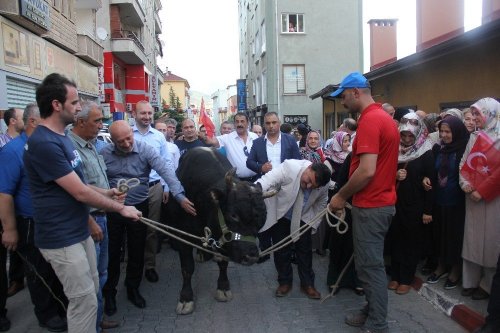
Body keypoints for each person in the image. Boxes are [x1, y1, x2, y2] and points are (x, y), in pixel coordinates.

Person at [23, 73, 142, 333]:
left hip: (78, 231)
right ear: (57, 105)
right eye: (75, 102)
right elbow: (79, 193)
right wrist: (122, 207)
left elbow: (80, 184)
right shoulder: (43, 142)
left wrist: (107, 193)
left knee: (91, 292)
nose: (79, 108)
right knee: (84, 300)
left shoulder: (61, 138)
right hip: (61, 237)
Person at [101, 121, 196, 315]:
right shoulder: (103, 153)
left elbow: (166, 171)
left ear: (132, 134)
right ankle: (109, 293)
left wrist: (180, 196)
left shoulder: (146, 149)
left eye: (129, 139)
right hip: (113, 209)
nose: (127, 144)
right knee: (112, 252)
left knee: (137, 249)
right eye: (121, 142)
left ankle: (132, 288)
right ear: (112, 140)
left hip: (139, 206)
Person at [329, 72, 399, 333]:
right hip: (380, 204)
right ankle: (371, 311)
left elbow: (367, 170)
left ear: (356, 92)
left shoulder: (370, 121)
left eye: (344, 96)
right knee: (370, 265)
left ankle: (378, 325)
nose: (342, 101)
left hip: (371, 207)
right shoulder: (383, 117)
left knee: (370, 269)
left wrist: (340, 196)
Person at [0, 103, 68, 332]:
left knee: (54, 268)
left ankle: (60, 308)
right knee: (38, 271)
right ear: (33, 122)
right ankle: (47, 315)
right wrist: (9, 229)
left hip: (52, 221)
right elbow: (5, 194)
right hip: (29, 222)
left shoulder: (44, 147)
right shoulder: (13, 151)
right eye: (47, 121)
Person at [68, 101, 119, 332]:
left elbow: (95, 184)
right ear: (80, 122)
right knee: (91, 279)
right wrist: (89, 221)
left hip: (102, 217)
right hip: (89, 221)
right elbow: (75, 190)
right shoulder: (70, 148)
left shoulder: (91, 145)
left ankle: (98, 320)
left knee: (102, 273)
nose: (102, 125)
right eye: (97, 121)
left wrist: (111, 196)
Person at [256, 160, 331, 299]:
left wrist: (313, 223)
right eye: (308, 180)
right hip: (282, 214)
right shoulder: (290, 167)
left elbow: (322, 203)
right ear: (309, 167)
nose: (308, 186)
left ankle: (307, 284)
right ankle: (284, 282)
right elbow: (269, 179)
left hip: (304, 217)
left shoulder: (323, 185)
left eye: (312, 186)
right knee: (281, 250)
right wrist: (256, 189)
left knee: (305, 251)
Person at [387, 113, 434, 295]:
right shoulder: (394, 150)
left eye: (410, 136)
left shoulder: (426, 152)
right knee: (396, 238)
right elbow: (384, 173)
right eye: (404, 135)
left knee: (411, 242)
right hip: (396, 202)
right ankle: (395, 276)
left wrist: (427, 210)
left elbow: (431, 183)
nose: (406, 139)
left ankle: (406, 278)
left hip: (416, 205)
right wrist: (395, 175)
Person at [246, 112, 301, 263]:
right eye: (268, 123)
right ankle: (265, 249)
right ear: (264, 125)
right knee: (264, 220)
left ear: (279, 122)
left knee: (284, 222)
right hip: (265, 189)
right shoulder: (258, 143)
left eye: (274, 122)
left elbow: (299, 162)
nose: (271, 126)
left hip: (286, 189)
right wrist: (260, 167)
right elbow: (249, 162)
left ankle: (287, 250)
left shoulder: (290, 140)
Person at [459, 97, 500, 301]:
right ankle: (470, 281)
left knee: (492, 242)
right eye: (473, 113)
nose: (475, 118)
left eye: (478, 113)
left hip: (493, 199)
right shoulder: (475, 137)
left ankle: (487, 284)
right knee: (472, 239)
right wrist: (464, 183)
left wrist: (482, 191)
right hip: (472, 195)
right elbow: (464, 163)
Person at [423, 116, 469, 290]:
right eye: (441, 131)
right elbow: (431, 171)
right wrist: (426, 178)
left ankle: (455, 269)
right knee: (439, 235)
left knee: (454, 236)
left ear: (456, 132)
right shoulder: (439, 149)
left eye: (447, 131)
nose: (443, 135)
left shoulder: (464, 149)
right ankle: (441, 265)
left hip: (457, 201)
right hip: (439, 200)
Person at [132, 101, 173, 284]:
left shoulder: (158, 137)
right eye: (143, 113)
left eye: (150, 113)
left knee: (152, 229)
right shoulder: (127, 134)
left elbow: (166, 163)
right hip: (132, 189)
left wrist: (165, 186)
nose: (147, 117)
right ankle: (133, 267)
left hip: (154, 187)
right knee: (133, 229)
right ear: (135, 113)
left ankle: (149, 266)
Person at [0, 107, 26, 299]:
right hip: (9, 205)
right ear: (12, 122)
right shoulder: (4, 146)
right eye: (22, 117)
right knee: (12, 245)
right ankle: (15, 281)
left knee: (22, 247)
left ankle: (19, 278)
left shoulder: (27, 143)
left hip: (23, 208)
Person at [204, 112, 258, 182]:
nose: (239, 124)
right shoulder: (227, 138)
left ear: (247, 123)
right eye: (237, 122)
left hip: (256, 179)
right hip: (237, 181)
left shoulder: (255, 136)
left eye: (242, 121)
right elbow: (213, 141)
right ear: (234, 124)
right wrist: (206, 136)